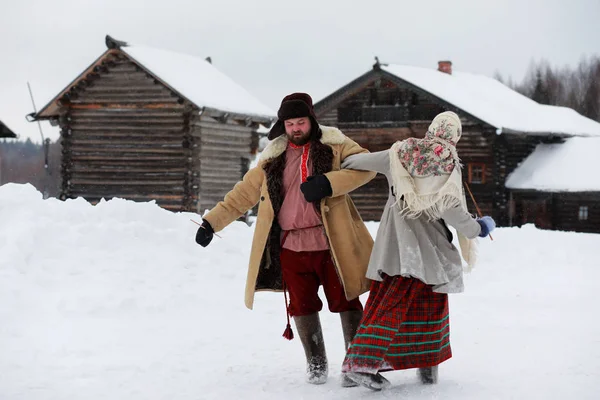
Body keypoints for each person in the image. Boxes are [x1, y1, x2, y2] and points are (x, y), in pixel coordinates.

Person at [194, 92, 376, 386]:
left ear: (312, 121)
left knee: (347, 300)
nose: (295, 128)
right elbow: (242, 195)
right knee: (302, 306)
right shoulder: (271, 159)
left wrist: (329, 183)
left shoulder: (336, 146)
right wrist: (211, 222)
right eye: (290, 123)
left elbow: (366, 167)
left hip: (332, 243)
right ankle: (316, 364)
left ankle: (357, 362)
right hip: (291, 246)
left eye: (300, 122)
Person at [334, 111, 496, 390]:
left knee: (386, 307)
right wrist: (478, 228)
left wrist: (339, 160)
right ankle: (375, 366)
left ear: (431, 130)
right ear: (455, 136)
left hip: (395, 249)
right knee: (427, 311)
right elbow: (451, 210)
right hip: (430, 253)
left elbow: (356, 161)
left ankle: (360, 365)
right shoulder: (449, 164)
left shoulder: (398, 153)